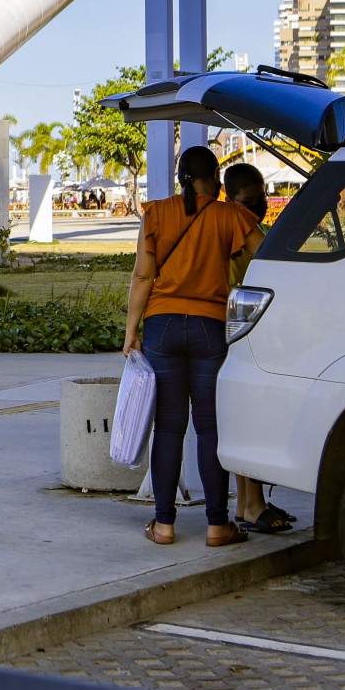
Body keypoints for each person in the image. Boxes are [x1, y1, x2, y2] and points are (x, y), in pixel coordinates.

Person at [125, 144, 264, 547]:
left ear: (181, 177)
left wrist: (131, 330)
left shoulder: (155, 213)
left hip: (163, 326)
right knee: (210, 427)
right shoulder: (230, 215)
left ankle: (164, 525)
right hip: (209, 327)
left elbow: (142, 277)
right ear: (215, 180)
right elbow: (266, 251)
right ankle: (218, 525)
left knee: (168, 427)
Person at [222, 162, 298, 536]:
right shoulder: (230, 235)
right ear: (229, 199)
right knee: (247, 419)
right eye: (249, 201)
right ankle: (251, 504)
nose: (260, 206)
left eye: (262, 198)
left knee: (251, 417)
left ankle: (250, 502)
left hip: (256, 332)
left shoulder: (252, 230)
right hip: (239, 333)